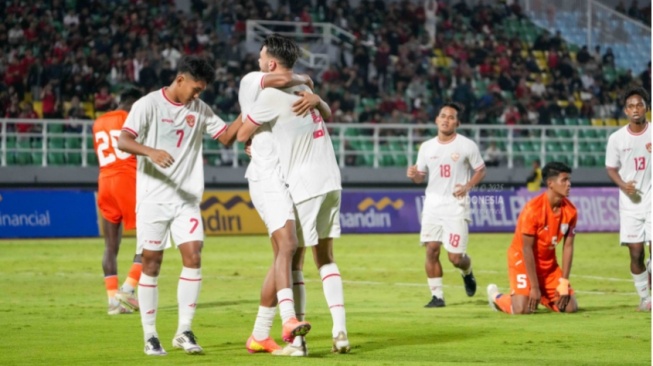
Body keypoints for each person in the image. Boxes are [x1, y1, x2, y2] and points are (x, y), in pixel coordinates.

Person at [117, 55, 242, 356]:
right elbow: (123, 140)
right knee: (151, 263)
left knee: (194, 255)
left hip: (186, 200)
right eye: (196, 88)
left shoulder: (199, 108)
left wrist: (249, 115)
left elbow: (225, 137)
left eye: (202, 91)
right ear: (180, 79)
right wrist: (150, 152)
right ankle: (150, 335)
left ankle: (183, 330)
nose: (198, 95)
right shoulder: (147, 104)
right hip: (153, 198)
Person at [237, 34, 350, 354]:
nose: (258, 61)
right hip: (332, 179)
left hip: (304, 184)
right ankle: (340, 332)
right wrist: (319, 98)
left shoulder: (268, 95)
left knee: (292, 257)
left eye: (261, 57)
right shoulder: (306, 90)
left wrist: (252, 138)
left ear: (271, 63)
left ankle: (297, 338)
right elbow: (325, 111)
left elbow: (242, 133)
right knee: (325, 257)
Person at [238, 63, 317, 355]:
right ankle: (288, 321)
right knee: (289, 244)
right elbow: (240, 131)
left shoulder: (293, 95)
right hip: (266, 179)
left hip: (288, 179)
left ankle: (259, 334)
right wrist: (305, 78)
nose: (259, 60)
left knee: (285, 256)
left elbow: (240, 129)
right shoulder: (253, 80)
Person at [407, 102, 486, 308]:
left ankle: (467, 272)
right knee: (431, 250)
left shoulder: (467, 145)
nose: (446, 120)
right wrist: (414, 175)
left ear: (457, 123)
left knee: (455, 258)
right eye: (443, 116)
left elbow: (480, 170)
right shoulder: (426, 147)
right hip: (432, 205)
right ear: (436, 120)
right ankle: (437, 297)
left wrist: (468, 185)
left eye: (451, 117)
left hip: (456, 206)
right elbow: (420, 177)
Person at [487, 162, 578, 314]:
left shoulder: (571, 211)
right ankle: (496, 297)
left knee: (569, 308)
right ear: (550, 183)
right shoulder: (533, 209)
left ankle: (541, 295)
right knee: (522, 309)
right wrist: (534, 287)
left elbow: (568, 247)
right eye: (564, 180)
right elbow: (526, 248)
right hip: (522, 260)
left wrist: (564, 282)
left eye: (569, 180)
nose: (569, 184)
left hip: (548, 265)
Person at [93, 88, 143, 315]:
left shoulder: (98, 122)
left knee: (110, 246)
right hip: (127, 181)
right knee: (151, 239)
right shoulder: (131, 118)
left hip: (104, 181)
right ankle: (128, 289)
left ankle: (113, 301)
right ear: (134, 105)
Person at [605, 86, 651, 311]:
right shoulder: (616, 138)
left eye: (639, 105)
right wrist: (623, 185)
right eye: (631, 106)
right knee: (636, 252)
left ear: (647, 108)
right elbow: (611, 168)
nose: (635, 109)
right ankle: (644, 298)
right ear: (625, 111)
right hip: (630, 204)